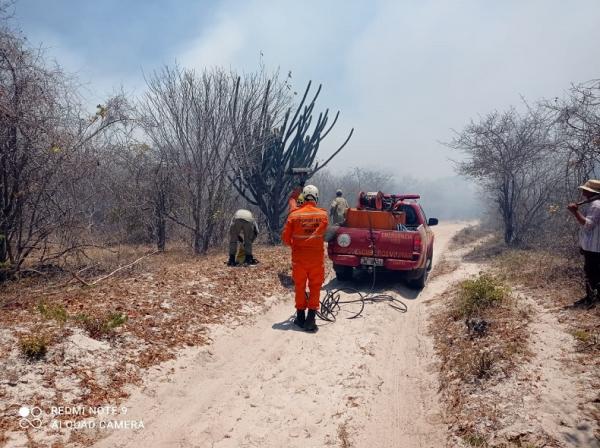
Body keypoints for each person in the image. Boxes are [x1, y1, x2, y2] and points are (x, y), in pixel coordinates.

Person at [282, 185, 329, 331]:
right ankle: (310, 320)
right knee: (315, 287)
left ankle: (300, 317)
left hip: (299, 259)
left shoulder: (294, 215)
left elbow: (285, 238)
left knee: (300, 287)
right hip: (316, 259)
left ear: (304, 197)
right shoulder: (323, 215)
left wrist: (295, 246)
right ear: (316, 197)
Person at [567, 179, 600, 308]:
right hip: (591, 247)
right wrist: (583, 246)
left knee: (593, 274)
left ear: (591, 192)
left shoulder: (596, 205)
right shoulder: (593, 204)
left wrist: (575, 212)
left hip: (596, 248)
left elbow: (588, 226)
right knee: (590, 272)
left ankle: (593, 300)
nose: (583, 191)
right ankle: (590, 298)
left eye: (585, 189)